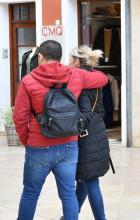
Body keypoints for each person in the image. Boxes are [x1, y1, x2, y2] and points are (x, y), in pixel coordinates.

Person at [13, 40, 108, 220]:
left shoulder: (28, 80)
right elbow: (102, 78)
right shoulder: (76, 75)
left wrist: (27, 140)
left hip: (38, 146)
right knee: (68, 194)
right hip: (68, 145)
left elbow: (20, 117)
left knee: (30, 194)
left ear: (40, 56)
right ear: (60, 57)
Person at [69, 46, 111, 220]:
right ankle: (71, 215)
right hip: (97, 132)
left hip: (88, 137)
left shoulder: (83, 83)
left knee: (90, 181)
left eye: (71, 60)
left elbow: (85, 113)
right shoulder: (94, 79)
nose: (68, 63)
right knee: (85, 180)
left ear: (78, 62)